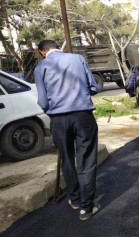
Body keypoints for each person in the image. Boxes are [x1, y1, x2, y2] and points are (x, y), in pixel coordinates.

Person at [34, 40, 101, 221]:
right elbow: (93, 87)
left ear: (42, 52)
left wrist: (56, 112)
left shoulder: (41, 68)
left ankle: (75, 199)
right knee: (86, 160)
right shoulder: (78, 59)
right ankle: (87, 208)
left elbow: (43, 102)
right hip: (83, 116)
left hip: (58, 120)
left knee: (67, 159)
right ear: (58, 47)